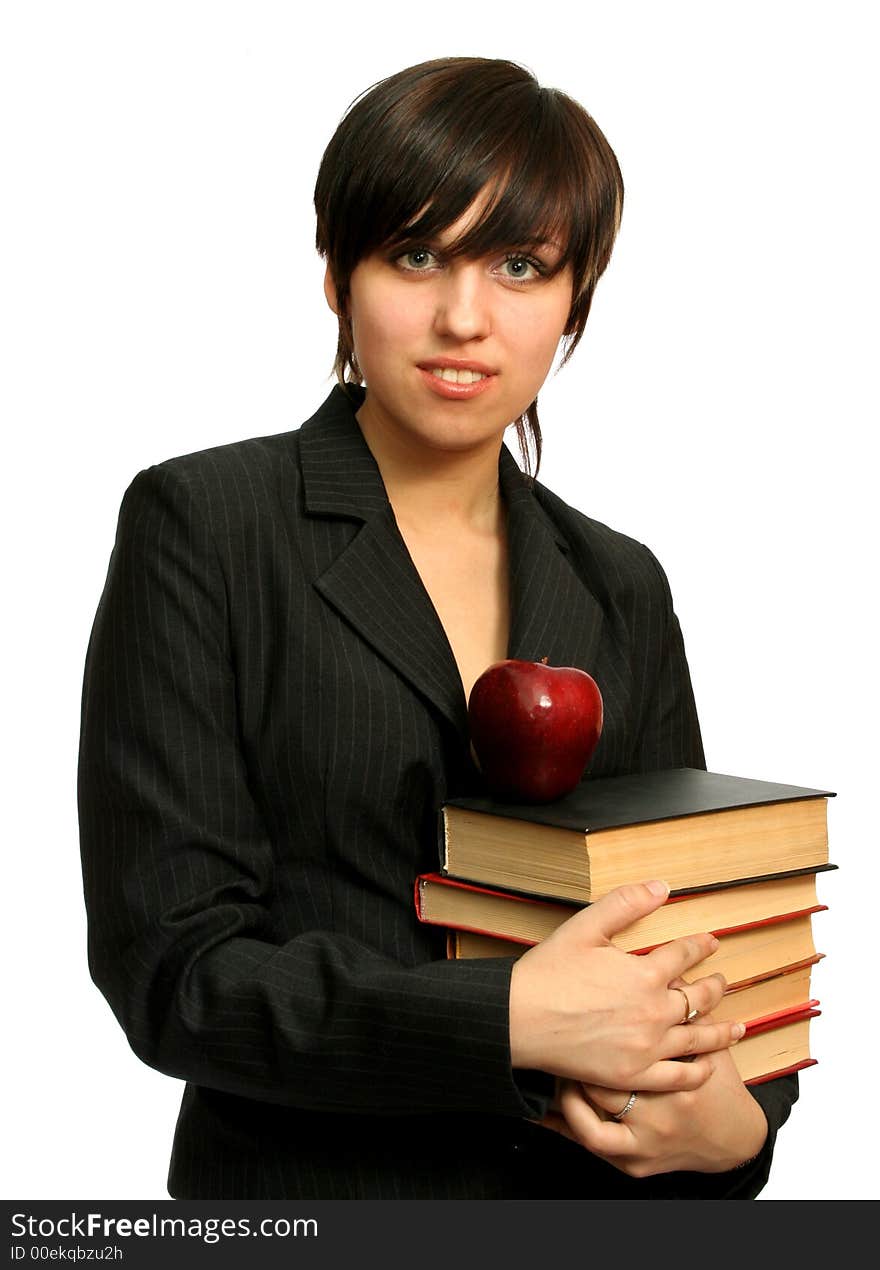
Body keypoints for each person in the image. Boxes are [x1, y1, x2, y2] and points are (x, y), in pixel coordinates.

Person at [77, 56, 797, 1200]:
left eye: (521, 266)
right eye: (416, 255)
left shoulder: (619, 582)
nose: (465, 318)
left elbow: (697, 926)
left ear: (576, 294)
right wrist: (509, 1017)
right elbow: (174, 969)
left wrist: (738, 1127)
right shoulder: (204, 526)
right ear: (336, 273)